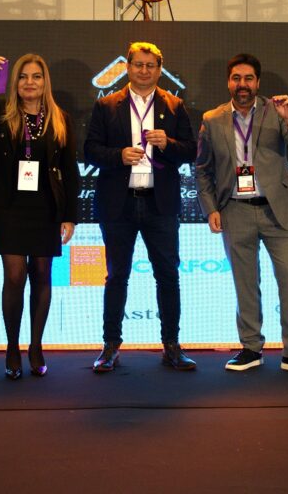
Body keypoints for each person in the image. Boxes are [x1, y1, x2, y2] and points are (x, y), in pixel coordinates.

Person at [196, 53, 288, 376]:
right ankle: (251, 348)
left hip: (277, 210)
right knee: (245, 283)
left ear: (258, 82)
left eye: (248, 78)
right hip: (235, 210)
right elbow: (203, 169)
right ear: (228, 82)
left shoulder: (276, 110)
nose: (242, 84)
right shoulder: (212, 119)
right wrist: (210, 208)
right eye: (236, 78)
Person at [83, 42, 197, 373]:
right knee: (116, 276)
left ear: (159, 70)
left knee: (168, 275)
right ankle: (110, 346)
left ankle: (172, 345)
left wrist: (168, 144)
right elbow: (90, 150)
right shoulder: (107, 105)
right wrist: (118, 155)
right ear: (128, 68)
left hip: (160, 205)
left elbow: (191, 150)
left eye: (150, 65)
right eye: (138, 64)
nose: (144, 71)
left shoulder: (174, 105)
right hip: (118, 204)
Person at [0, 53, 80, 380]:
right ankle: (11, 347)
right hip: (9, 207)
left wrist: (70, 216)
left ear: (45, 81)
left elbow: (69, 170)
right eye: (22, 76)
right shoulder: (4, 113)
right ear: (15, 82)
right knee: (15, 276)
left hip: (46, 207)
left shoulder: (60, 119)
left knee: (42, 275)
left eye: (36, 76)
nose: (29, 82)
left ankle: (36, 346)